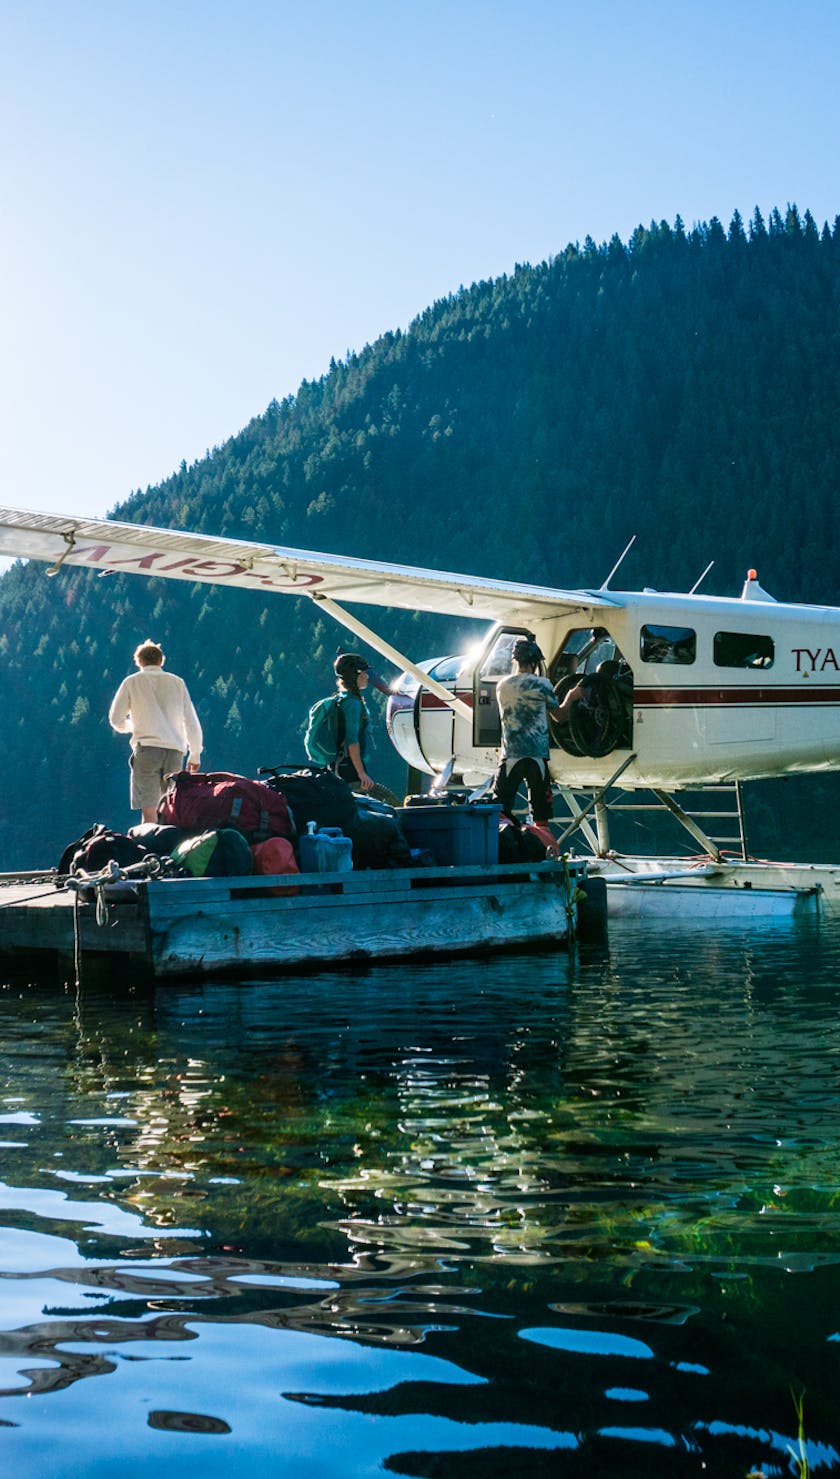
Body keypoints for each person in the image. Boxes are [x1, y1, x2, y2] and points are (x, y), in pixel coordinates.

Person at [109, 639, 203, 822]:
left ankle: (150, 843)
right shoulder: (177, 683)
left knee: (149, 807)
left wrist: (132, 726)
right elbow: (191, 721)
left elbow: (115, 719)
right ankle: (169, 843)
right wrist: (195, 753)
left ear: (138, 661)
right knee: (170, 805)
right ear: (161, 661)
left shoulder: (131, 682)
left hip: (147, 748)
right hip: (175, 749)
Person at [493, 638, 562, 824]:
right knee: (541, 812)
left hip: (510, 755)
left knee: (499, 809)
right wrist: (573, 697)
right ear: (534, 663)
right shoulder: (543, 684)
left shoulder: (502, 686)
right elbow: (559, 716)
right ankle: (543, 843)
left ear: (516, 661)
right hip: (536, 756)